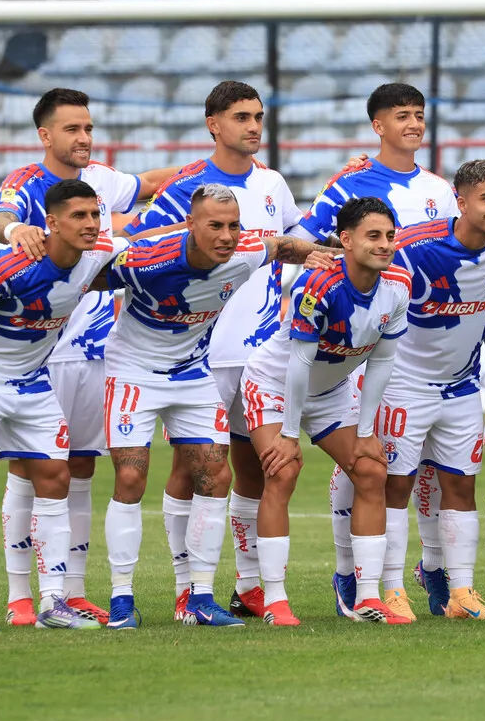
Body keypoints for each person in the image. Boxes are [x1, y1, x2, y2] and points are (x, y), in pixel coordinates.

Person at [100, 185, 336, 629]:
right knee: (130, 477)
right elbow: (85, 277)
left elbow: (282, 246)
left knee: (216, 475)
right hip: (133, 371)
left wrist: (326, 254)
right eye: (215, 226)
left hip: (192, 371)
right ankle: (121, 597)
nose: (227, 236)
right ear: (191, 225)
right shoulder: (146, 260)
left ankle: (201, 597)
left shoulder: (245, 251)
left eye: (234, 226)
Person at [0, 87, 179, 626]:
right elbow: (0, 218)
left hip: (96, 350)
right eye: (72, 129)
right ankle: (20, 595)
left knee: (80, 469)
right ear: (45, 134)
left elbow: (153, 183)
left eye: (89, 128)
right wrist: (16, 230)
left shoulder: (102, 179)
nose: (84, 137)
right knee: (28, 470)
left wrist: (229, 165)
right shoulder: (26, 183)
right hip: (40, 351)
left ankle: (69, 591)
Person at [121, 80, 308, 622]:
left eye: (258, 116)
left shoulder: (272, 183)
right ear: (213, 124)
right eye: (241, 117)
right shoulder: (185, 187)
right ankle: (187, 591)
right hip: (200, 355)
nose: (253, 126)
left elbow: (296, 240)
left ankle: (248, 586)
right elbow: (138, 248)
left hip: (262, 353)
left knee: (255, 469)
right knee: (192, 470)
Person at [293, 82, 460, 618]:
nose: (413, 124)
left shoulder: (439, 189)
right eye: (401, 115)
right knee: (367, 462)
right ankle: (351, 573)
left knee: (433, 467)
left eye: (419, 114)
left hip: (430, 343)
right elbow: (304, 240)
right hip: (368, 345)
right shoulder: (349, 184)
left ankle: (432, 568)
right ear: (378, 126)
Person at [0, 179, 116, 633]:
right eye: (79, 216)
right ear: (51, 222)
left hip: (33, 383)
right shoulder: (9, 267)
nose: (91, 224)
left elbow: (148, 240)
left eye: (95, 214)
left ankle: (53, 602)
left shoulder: (97, 256)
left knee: (56, 478)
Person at [373, 160, 485, 622]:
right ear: (461, 201)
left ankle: (462, 594)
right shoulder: (413, 247)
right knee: (396, 485)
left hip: (463, 386)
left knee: (461, 484)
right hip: (403, 384)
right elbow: (364, 272)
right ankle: (391, 589)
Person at [240, 197, 411, 627]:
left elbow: (382, 361)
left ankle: (367, 597)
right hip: (275, 385)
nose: (385, 244)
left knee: (371, 470)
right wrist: (288, 433)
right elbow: (299, 363)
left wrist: (367, 431)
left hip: (332, 390)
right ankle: (275, 599)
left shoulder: (398, 286)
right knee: (282, 471)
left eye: (390, 236)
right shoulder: (317, 285)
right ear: (346, 240)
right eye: (373, 236)